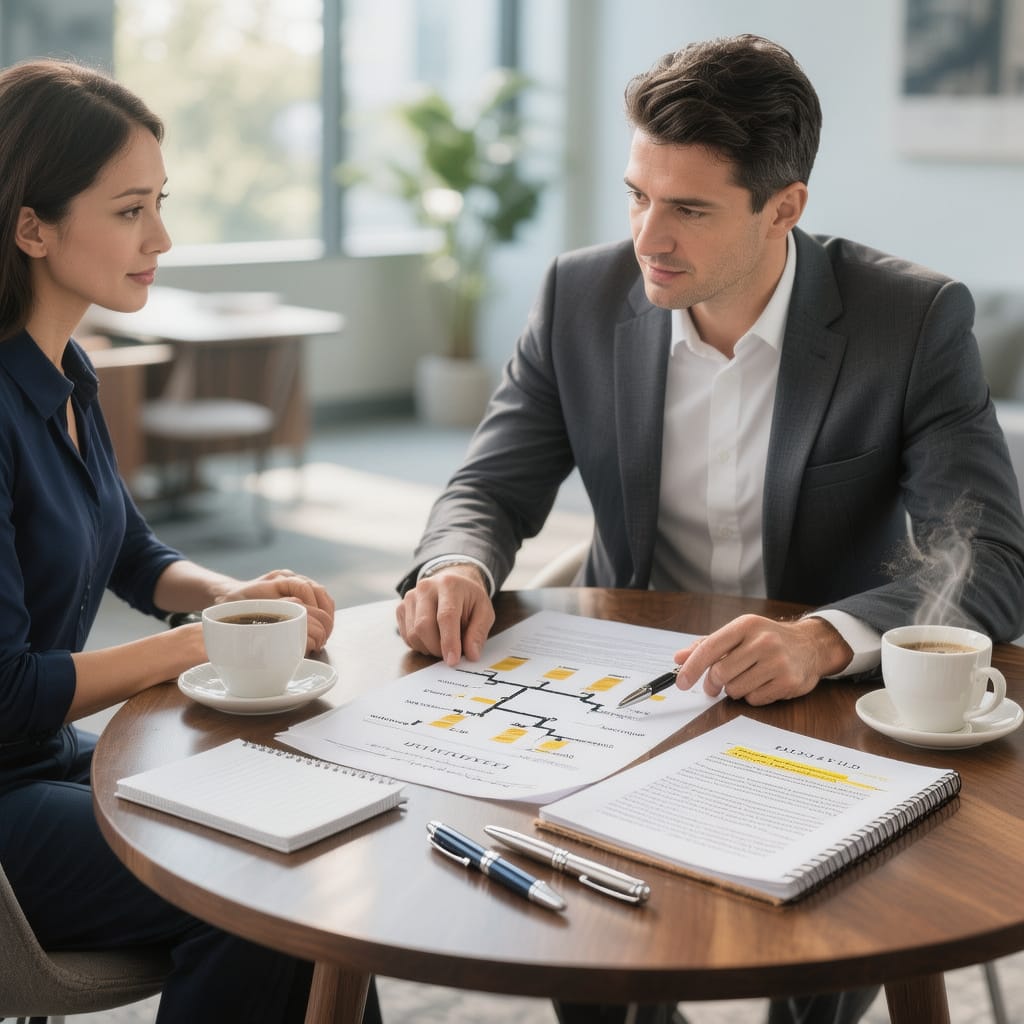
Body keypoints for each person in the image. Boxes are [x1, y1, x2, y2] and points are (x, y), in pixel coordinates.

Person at [395, 33, 1024, 1024]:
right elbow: (488, 487)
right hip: (628, 688)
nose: (649, 234)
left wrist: (821, 638)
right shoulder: (578, 294)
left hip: (824, 702)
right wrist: (459, 563)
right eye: (638, 194)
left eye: (687, 208)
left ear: (784, 209)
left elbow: (987, 559)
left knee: (825, 951)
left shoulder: (909, 318)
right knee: (583, 944)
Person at [0, 59, 380, 1024]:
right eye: (130, 210)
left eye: (160, 203)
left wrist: (236, 596)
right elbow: (6, 691)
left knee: (318, 819)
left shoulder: (70, 370)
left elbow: (132, 551)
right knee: (266, 884)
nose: (162, 238)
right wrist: (206, 645)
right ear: (31, 225)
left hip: (46, 759)